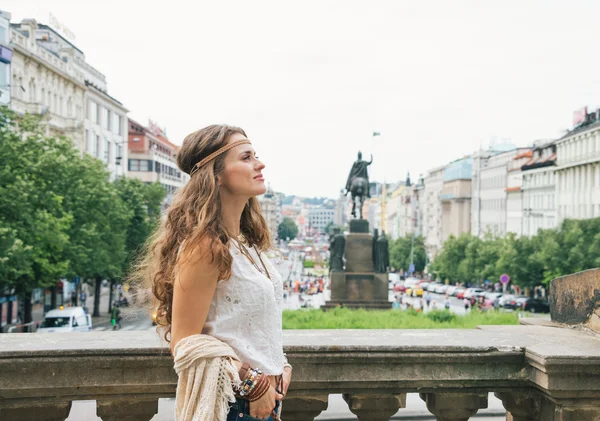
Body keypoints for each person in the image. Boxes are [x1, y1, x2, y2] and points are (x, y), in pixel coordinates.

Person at [132, 125, 290, 421]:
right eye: (246, 157)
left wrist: (279, 365)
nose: (260, 163)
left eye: (255, 155)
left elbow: (249, 326)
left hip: (261, 400)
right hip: (233, 403)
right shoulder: (205, 247)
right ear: (216, 175)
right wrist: (252, 381)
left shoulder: (243, 244)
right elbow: (184, 343)